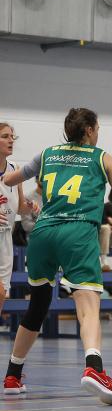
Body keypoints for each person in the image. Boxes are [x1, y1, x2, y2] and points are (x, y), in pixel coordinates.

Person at [2, 108, 112, 402]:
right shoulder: (102, 158)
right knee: (88, 304)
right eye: (97, 129)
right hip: (77, 233)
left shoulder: (47, 154)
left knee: (37, 306)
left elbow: (9, 180)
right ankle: (94, 368)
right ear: (89, 130)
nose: (98, 133)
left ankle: (12, 375)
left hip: (43, 234)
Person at [0, 123, 37, 320]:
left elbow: (20, 207)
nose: (11, 140)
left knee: (2, 294)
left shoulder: (15, 169)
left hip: (5, 238)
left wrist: (30, 207)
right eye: (5, 136)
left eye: (12, 137)